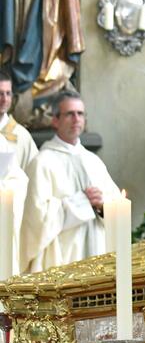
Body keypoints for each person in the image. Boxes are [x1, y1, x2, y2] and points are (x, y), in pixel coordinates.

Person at [21, 91, 118, 272]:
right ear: (55, 120)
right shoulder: (42, 163)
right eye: (69, 114)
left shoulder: (94, 161)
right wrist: (81, 202)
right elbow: (35, 220)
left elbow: (119, 207)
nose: (76, 119)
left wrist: (102, 206)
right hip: (62, 262)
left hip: (98, 259)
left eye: (80, 114)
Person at [0, 71, 36, 274]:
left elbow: (32, 179)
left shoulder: (22, 136)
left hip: (13, 214)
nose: (4, 99)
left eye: (7, 93)